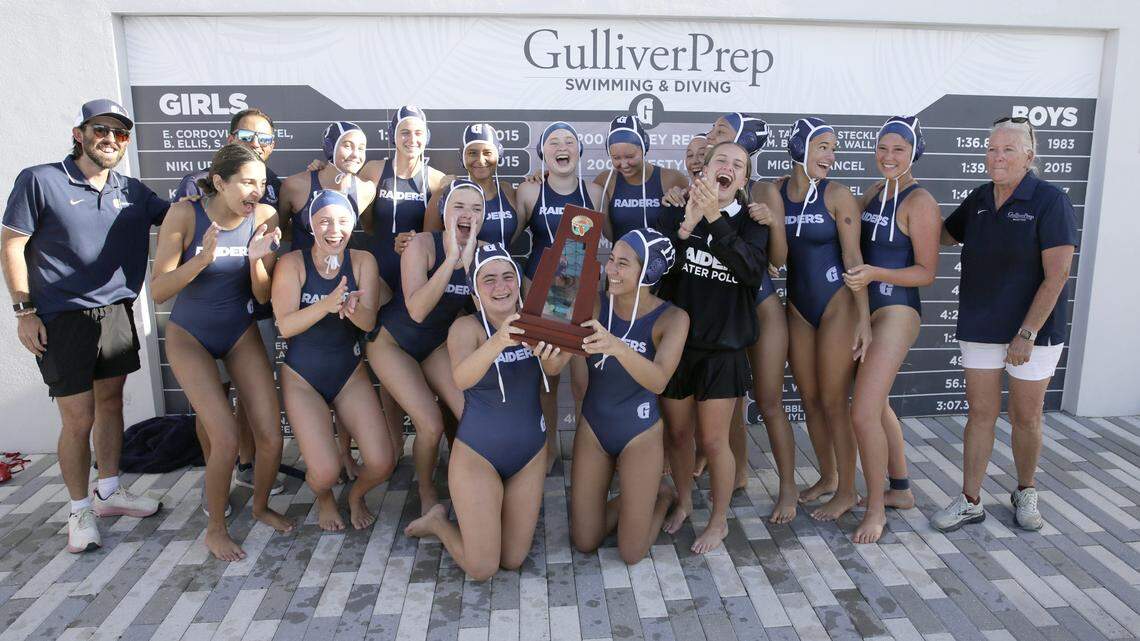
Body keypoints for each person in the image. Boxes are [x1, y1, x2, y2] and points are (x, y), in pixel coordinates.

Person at [1, 99, 166, 553]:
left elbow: (180, 217)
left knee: (111, 403)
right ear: (80, 132)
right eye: (101, 129)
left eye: (119, 133)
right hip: (60, 318)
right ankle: (78, 510)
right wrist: (24, 311)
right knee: (78, 420)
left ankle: (109, 492)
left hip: (115, 310)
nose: (110, 139)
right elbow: (13, 245)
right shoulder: (40, 180)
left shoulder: (131, 190)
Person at [931, 117, 1077, 533]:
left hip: (1034, 331)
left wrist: (1027, 333)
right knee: (980, 413)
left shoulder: (1050, 200)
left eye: (1008, 150)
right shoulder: (978, 198)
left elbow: (1057, 275)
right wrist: (909, 207)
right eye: (992, 149)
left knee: (1025, 416)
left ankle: (1025, 490)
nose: (997, 156)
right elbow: (942, 235)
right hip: (980, 324)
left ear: (1029, 156)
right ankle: (971, 500)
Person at [151, 143, 293, 561]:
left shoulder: (265, 217)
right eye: (248, 182)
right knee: (226, 437)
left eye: (262, 183)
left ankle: (261, 505)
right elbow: (159, 290)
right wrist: (202, 260)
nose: (257, 191)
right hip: (189, 335)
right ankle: (215, 527)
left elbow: (263, 293)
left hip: (239, 331)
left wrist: (256, 261)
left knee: (269, 435)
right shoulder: (184, 214)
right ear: (219, 182)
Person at [404, 244, 570, 580]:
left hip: (529, 454)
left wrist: (555, 341)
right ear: (476, 291)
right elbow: (462, 378)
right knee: (482, 568)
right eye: (489, 279)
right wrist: (501, 340)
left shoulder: (538, 321)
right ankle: (437, 521)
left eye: (508, 277)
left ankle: (482, 521)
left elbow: (553, 369)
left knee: (512, 559)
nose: (501, 287)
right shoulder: (467, 328)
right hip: (479, 454)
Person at [658, 141, 769, 553]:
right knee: (679, 432)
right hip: (679, 346)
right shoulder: (674, 208)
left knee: (713, 441)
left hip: (724, 349)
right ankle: (685, 501)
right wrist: (684, 228)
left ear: (742, 181)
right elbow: (659, 279)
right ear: (703, 169)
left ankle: (719, 520)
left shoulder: (753, 220)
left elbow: (750, 271)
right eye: (721, 160)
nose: (728, 167)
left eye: (737, 165)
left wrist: (713, 219)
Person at [175, 107, 286, 499]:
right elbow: (166, 279)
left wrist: (258, 258)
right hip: (199, 322)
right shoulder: (194, 188)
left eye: (265, 139)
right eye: (248, 136)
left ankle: (248, 469)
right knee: (214, 405)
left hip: (250, 316)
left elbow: (265, 277)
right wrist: (202, 259)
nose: (257, 144)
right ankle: (215, 486)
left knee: (255, 409)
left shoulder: (271, 191)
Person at [272, 189, 395, 531]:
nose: (334, 229)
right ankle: (325, 498)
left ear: (352, 224)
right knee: (324, 472)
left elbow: (368, 322)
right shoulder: (292, 264)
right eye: (324, 221)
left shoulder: (363, 261)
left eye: (342, 221)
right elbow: (285, 325)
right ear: (312, 225)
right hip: (303, 378)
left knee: (383, 462)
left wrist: (350, 309)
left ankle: (356, 496)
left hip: (348, 373)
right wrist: (326, 305)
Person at [845, 117, 940, 543]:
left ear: (914, 152)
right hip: (867, 310)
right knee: (877, 405)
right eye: (882, 148)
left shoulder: (920, 202)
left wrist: (875, 272)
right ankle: (900, 489)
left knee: (863, 412)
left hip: (899, 310)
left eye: (898, 149)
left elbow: (926, 273)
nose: (888, 156)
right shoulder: (875, 192)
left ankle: (876, 511)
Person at [704, 113, 800, 523]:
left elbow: (778, 260)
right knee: (732, 401)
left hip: (760, 306)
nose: (712, 135)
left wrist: (771, 222)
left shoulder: (760, 188)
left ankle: (789, 489)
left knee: (770, 402)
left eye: (721, 131)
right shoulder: (707, 180)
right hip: (725, 307)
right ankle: (739, 472)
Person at [572, 229, 689, 563]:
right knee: (584, 541)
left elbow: (659, 381)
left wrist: (615, 346)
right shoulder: (594, 304)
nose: (611, 270)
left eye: (623, 264)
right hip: (594, 427)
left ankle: (662, 495)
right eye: (611, 260)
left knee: (631, 553)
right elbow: (562, 354)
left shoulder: (673, 318)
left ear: (649, 272)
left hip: (640, 433)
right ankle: (637, 497)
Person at [368, 179, 484, 512]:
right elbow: (417, 310)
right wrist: (451, 260)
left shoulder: (483, 252)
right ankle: (426, 492)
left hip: (435, 344)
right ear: (445, 211)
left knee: (472, 414)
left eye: (476, 209)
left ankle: (472, 480)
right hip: (393, 343)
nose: (467, 215)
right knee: (431, 424)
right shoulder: (421, 245)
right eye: (459, 207)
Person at [781, 117, 871, 522]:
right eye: (822, 147)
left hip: (837, 304)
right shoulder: (776, 191)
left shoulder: (838, 195)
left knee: (835, 401)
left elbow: (854, 261)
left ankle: (849, 491)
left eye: (833, 149)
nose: (830, 156)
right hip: (799, 305)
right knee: (810, 398)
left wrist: (864, 320)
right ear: (800, 147)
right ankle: (828, 477)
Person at [360, 106, 449, 467]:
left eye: (417, 133)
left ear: (426, 136)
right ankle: (394, 444)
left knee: (405, 352)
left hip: (412, 277)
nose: (411, 140)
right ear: (392, 136)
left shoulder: (435, 179)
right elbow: (364, 223)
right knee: (381, 360)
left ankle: (415, 442)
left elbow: (431, 233)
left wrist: (411, 243)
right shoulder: (373, 171)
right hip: (379, 275)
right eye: (404, 133)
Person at [515, 122, 603, 468]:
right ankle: (549, 448)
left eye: (569, 141)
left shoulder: (594, 194)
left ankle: (587, 451)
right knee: (547, 382)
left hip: (578, 298)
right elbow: (508, 237)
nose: (562, 147)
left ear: (579, 151)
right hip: (539, 295)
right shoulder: (529, 192)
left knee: (583, 383)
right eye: (554, 142)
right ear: (543, 153)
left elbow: (614, 237)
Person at [280, 121, 376, 251]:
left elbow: (371, 230)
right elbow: (279, 231)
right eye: (348, 146)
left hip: (342, 270)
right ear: (330, 147)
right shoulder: (295, 186)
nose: (355, 155)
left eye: (361, 148)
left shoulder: (366, 189)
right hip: (299, 268)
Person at [425, 123, 522, 249]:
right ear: (463, 157)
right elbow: (428, 246)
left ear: (499, 155)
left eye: (487, 153)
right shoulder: (446, 194)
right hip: (463, 268)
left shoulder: (507, 191)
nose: (481, 160)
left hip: (504, 267)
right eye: (472, 153)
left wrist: (544, 174)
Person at [594, 115, 689, 240]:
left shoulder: (672, 179)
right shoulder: (604, 181)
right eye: (616, 158)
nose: (623, 164)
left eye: (630, 156)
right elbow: (608, 235)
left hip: (661, 258)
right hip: (621, 258)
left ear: (644, 148)